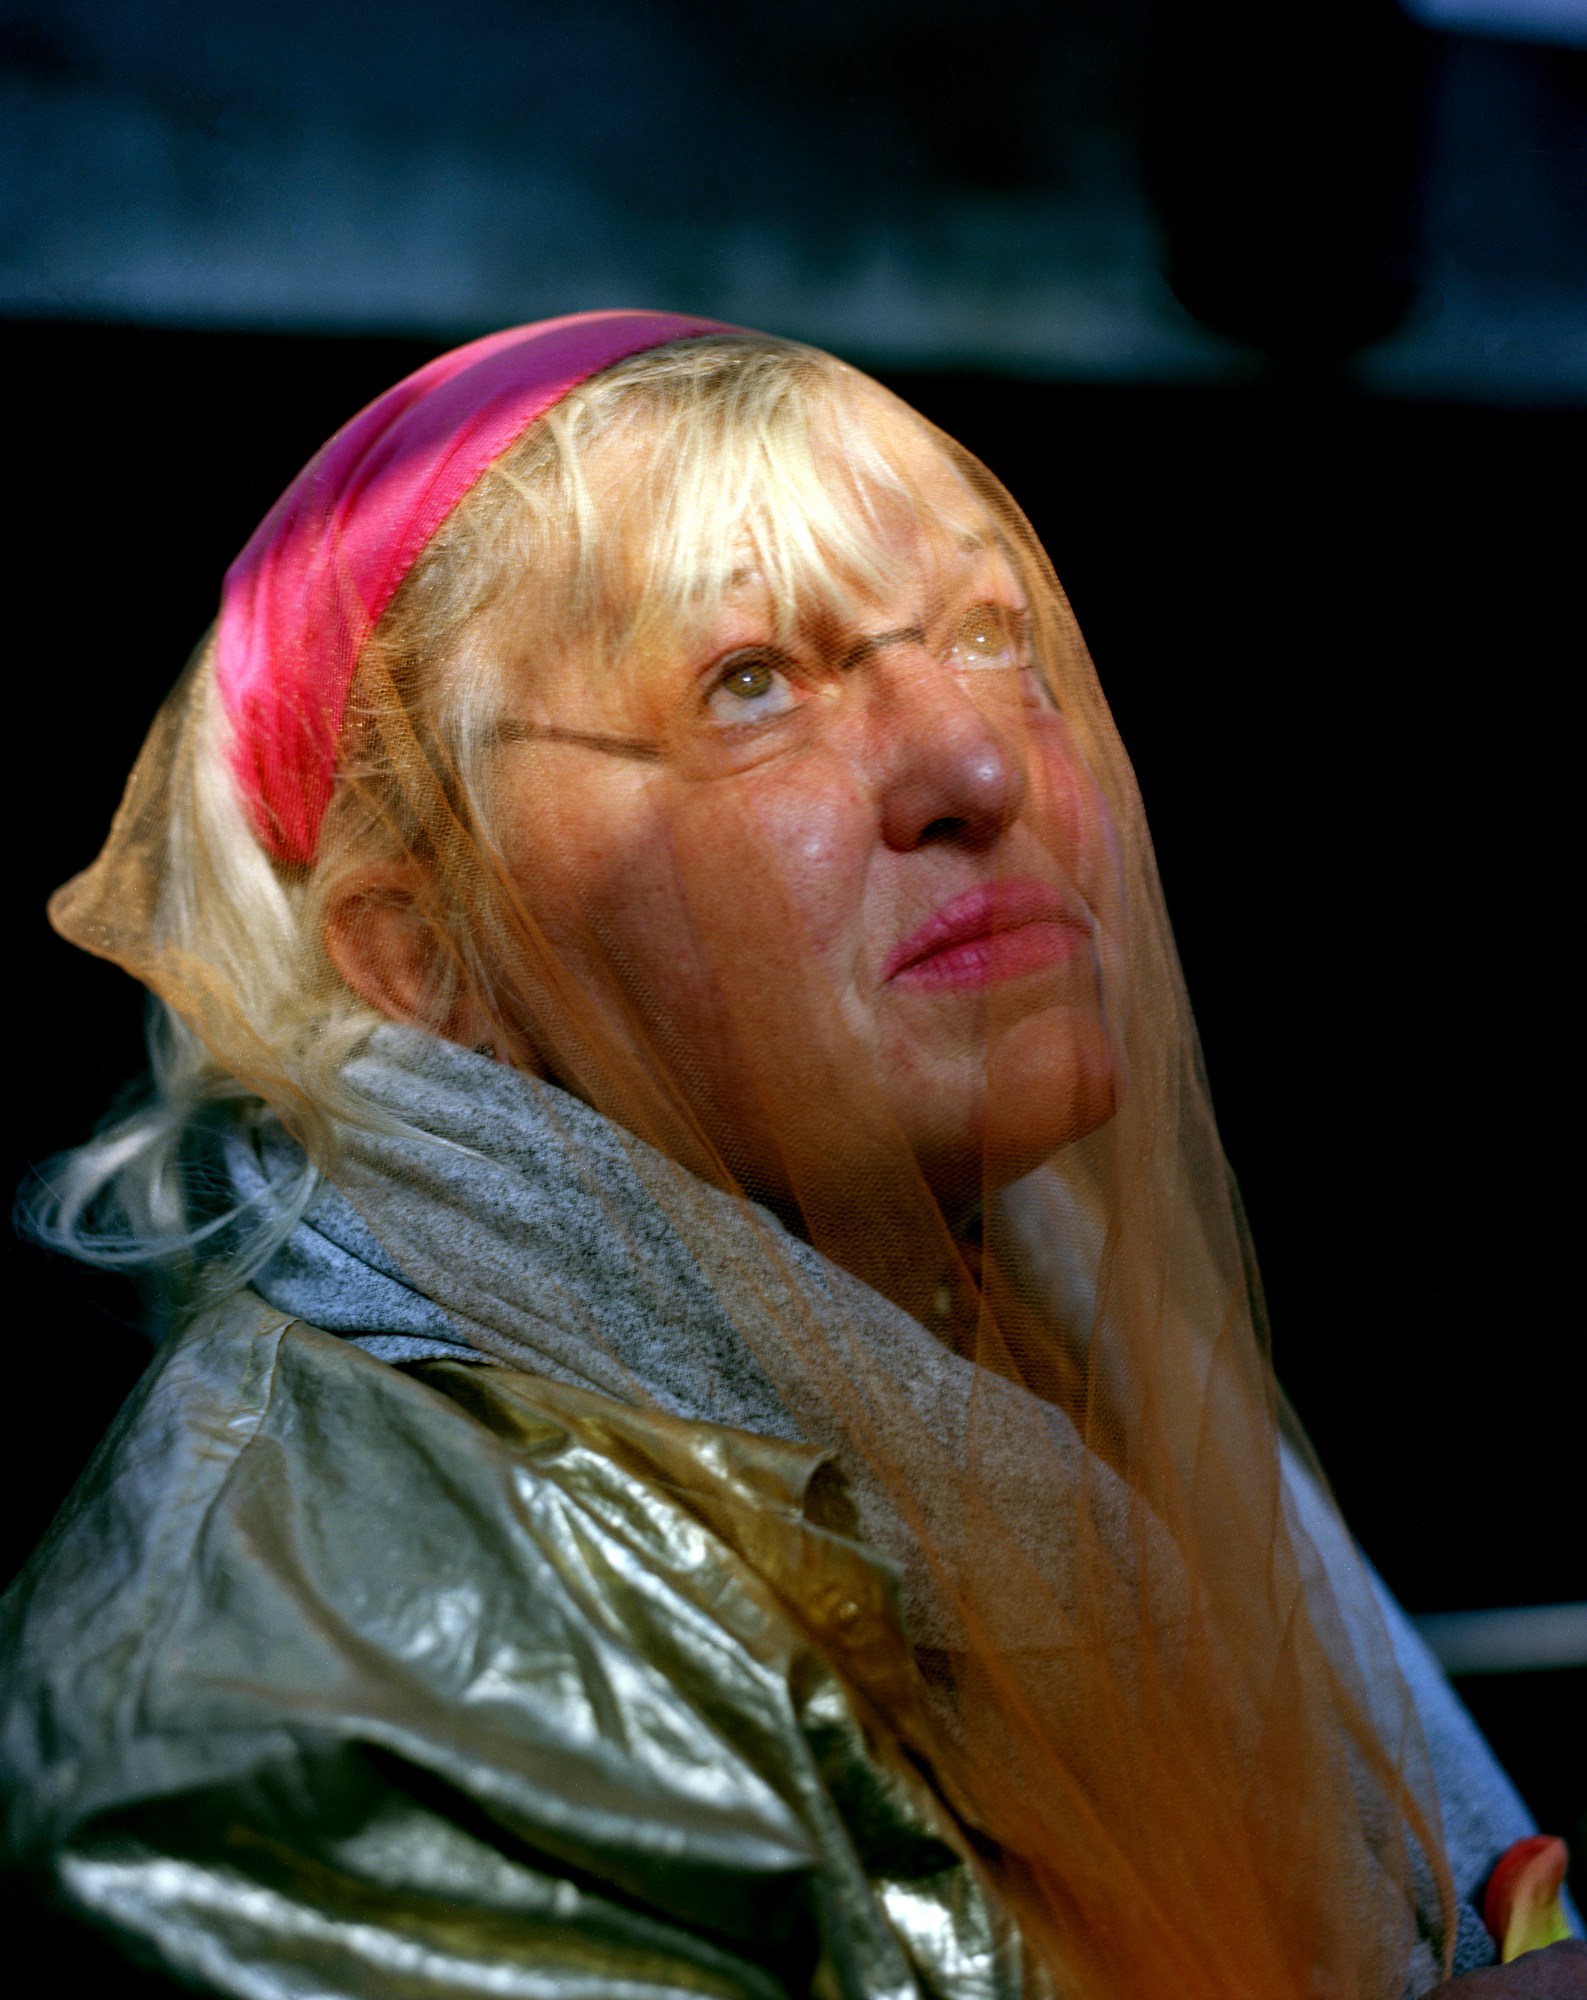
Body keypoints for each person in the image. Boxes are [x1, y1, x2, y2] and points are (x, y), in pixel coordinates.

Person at [1, 312, 1578, 1999]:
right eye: (747, 683)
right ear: (423, 959)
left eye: (989, 632)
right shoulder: (280, 1718)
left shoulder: (1040, 1326)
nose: (981, 764)